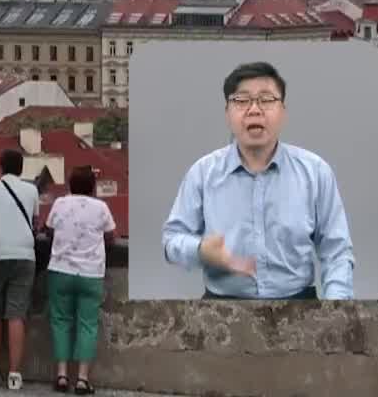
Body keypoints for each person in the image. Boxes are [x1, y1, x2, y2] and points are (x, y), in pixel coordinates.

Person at [162, 61, 354, 300]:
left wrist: (338, 309)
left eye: (266, 100)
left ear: (283, 111)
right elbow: (171, 241)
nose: (254, 109)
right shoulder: (202, 173)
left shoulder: (315, 172)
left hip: (299, 305)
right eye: (241, 101)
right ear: (227, 113)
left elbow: (336, 251)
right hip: (221, 311)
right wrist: (200, 250)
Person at [45, 165, 119, 396]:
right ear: (93, 187)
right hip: (90, 273)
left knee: (61, 321)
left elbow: (48, 231)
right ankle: (82, 380)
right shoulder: (101, 208)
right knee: (87, 325)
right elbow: (110, 237)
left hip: (60, 269)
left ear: (70, 185)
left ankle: (62, 374)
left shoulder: (60, 203)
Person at [0, 149, 41, 391]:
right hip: (23, 254)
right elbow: (35, 224)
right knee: (16, 314)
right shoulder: (31, 190)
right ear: (21, 168)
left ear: (0, 167)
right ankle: (15, 374)